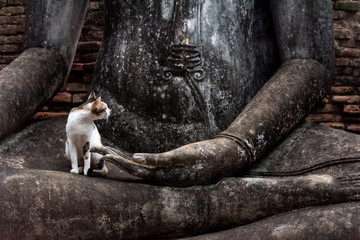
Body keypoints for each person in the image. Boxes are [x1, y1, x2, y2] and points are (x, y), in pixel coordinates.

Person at [0, 0, 359, 239]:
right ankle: (206, 207)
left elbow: (308, 62)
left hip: (254, 153)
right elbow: (45, 52)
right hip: (113, 149)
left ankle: (173, 213)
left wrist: (236, 145)